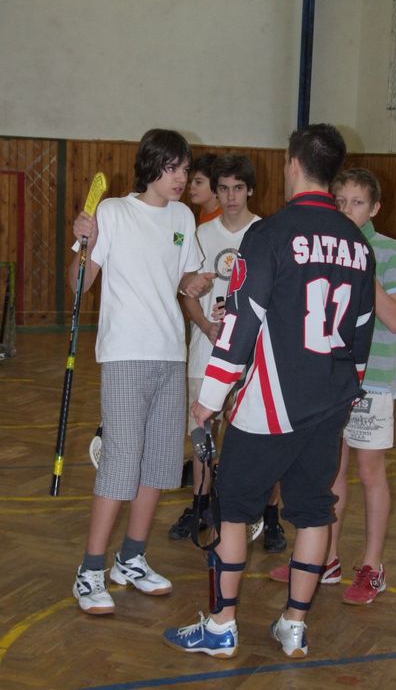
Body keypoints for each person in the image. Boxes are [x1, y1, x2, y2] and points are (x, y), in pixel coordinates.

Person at [163, 124, 375, 659]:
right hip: (329, 405)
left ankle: (221, 625)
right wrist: (345, 395)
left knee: (233, 511)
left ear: (293, 164)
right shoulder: (357, 243)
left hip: (268, 407)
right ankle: (294, 625)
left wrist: (209, 399)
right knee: (314, 512)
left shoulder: (270, 234)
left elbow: (239, 325)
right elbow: (361, 333)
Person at [70, 128, 214, 616]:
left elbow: (182, 278)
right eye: (173, 168)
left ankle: (130, 559)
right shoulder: (113, 212)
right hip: (125, 354)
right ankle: (90, 569)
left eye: (185, 170)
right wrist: (83, 244)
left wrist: (195, 283)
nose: (181, 179)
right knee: (121, 463)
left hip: (171, 353)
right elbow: (78, 285)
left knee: (158, 465)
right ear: (151, 166)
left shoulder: (182, 217)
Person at [270, 167, 396, 605]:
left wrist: (363, 267)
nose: (348, 210)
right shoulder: (326, 246)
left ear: (375, 208)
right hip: (330, 376)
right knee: (329, 469)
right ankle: (326, 559)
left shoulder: (390, 251)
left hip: (374, 380)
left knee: (369, 472)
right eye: (342, 201)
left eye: (358, 202)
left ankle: (372, 566)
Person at [168, 154, 287, 554]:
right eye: (223, 189)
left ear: (250, 190)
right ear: (215, 192)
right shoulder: (202, 234)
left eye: (238, 188)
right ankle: (200, 507)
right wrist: (207, 324)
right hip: (207, 351)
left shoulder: (268, 233)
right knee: (202, 436)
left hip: (255, 358)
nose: (231, 196)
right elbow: (187, 293)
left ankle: (269, 514)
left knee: (260, 440)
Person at [188, 153, 222, 224]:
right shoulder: (204, 210)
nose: (191, 186)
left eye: (198, 182)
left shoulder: (224, 220)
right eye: (190, 181)